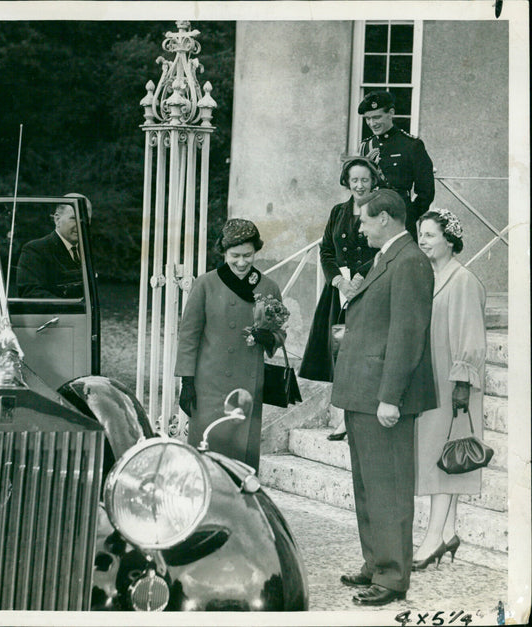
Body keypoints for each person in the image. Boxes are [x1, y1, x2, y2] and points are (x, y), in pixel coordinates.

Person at [331, 188, 437, 606]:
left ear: (387, 219)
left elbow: (407, 336)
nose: (359, 226)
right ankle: (375, 562)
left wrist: (390, 397)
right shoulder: (387, 257)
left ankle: (392, 577)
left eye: (364, 219)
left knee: (388, 487)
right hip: (363, 392)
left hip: (383, 395)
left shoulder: (409, 261)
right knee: (367, 485)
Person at [175, 219, 283, 473]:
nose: (242, 262)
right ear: (223, 253)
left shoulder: (268, 287)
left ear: (256, 251)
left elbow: (280, 332)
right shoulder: (205, 284)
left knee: (240, 462)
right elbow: (188, 336)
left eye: (248, 255)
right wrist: (186, 381)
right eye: (235, 256)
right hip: (209, 385)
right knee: (208, 455)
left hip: (247, 385)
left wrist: (270, 338)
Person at [412, 209, 487, 570]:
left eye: (429, 234)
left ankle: (430, 540)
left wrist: (461, 384)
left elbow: (470, 336)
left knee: (441, 459)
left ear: (449, 239)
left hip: (455, 383)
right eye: (421, 234)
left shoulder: (463, 279)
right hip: (435, 378)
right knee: (445, 457)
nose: (423, 240)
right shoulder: (433, 277)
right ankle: (448, 533)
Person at [299, 158, 383, 440]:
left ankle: (355, 417)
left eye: (364, 180)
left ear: (373, 180)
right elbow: (326, 252)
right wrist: (338, 281)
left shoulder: (381, 211)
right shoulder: (338, 212)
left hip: (368, 292)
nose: (359, 185)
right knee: (340, 354)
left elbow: (382, 250)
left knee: (361, 356)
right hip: (338, 294)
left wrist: (359, 279)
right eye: (354, 180)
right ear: (347, 182)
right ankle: (344, 417)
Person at [358, 90, 435, 240]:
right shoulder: (366, 146)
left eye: (377, 117)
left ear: (390, 113)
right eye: (368, 119)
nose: (372, 123)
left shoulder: (411, 145)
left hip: (400, 222)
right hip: (371, 221)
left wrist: (407, 216)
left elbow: (426, 191)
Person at [16, 204, 83, 298]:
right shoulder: (35, 250)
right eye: (74, 218)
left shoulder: (86, 251)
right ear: (57, 220)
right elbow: (30, 294)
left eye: (85, 219)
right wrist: (74, 308)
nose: (80, 224)